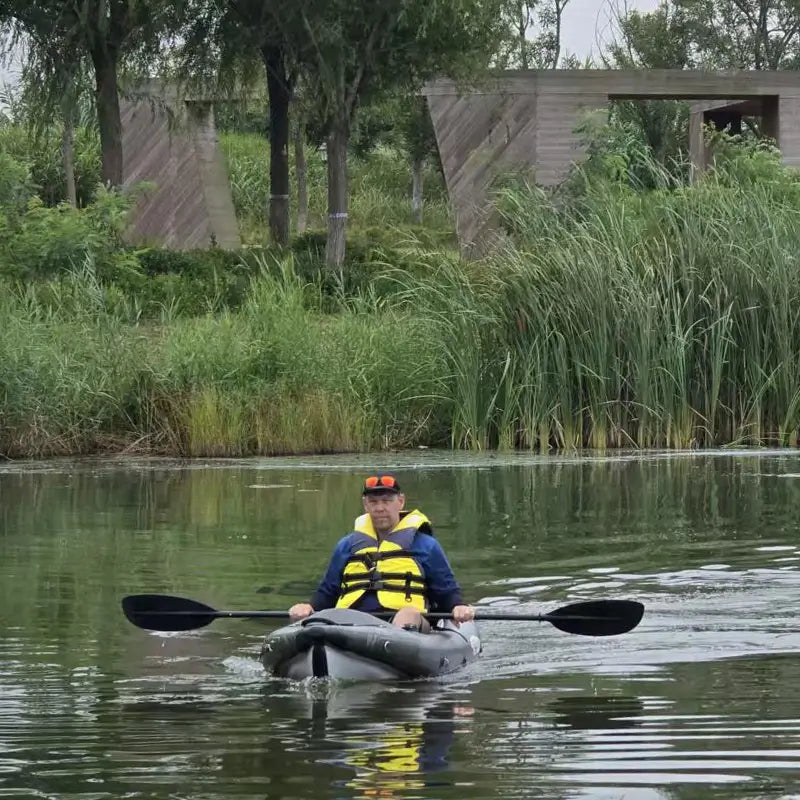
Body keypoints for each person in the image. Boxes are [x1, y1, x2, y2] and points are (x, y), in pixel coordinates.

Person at [289, 473, 474, 631]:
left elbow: (447, 591)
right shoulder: (346, 546)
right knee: (327, 618)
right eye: (373, 501)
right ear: (365, 504)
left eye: (386, 501)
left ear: (400, 502)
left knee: (408, 614)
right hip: (353, 622)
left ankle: (395, 647)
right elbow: (328, 592)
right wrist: (309, 607)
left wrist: (457, 607)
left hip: (406, 624)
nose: (380, 508)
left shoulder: (426, 545)